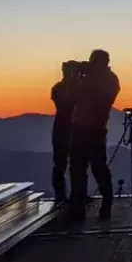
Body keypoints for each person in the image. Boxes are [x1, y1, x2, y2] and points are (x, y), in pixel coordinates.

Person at [67, 49, 120, 221]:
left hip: (94, 129)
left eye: (92, 60)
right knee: (77, 169)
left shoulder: (109, 79)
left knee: (98, 168)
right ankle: (77, 207)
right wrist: (74, 78)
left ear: (101, 62)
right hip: (80, 128)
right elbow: (71, 96)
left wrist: (83, 77)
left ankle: (106, 203)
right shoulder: (92, 78)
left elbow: (102, 97)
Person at [50, 60, 80, 203]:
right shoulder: (59, 88)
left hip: (65, 127)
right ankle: (62, 195)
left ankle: (74, 194)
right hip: (66, 127)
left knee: (74, 164)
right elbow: (68, 104)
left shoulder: (58, 87)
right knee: (63, 164)